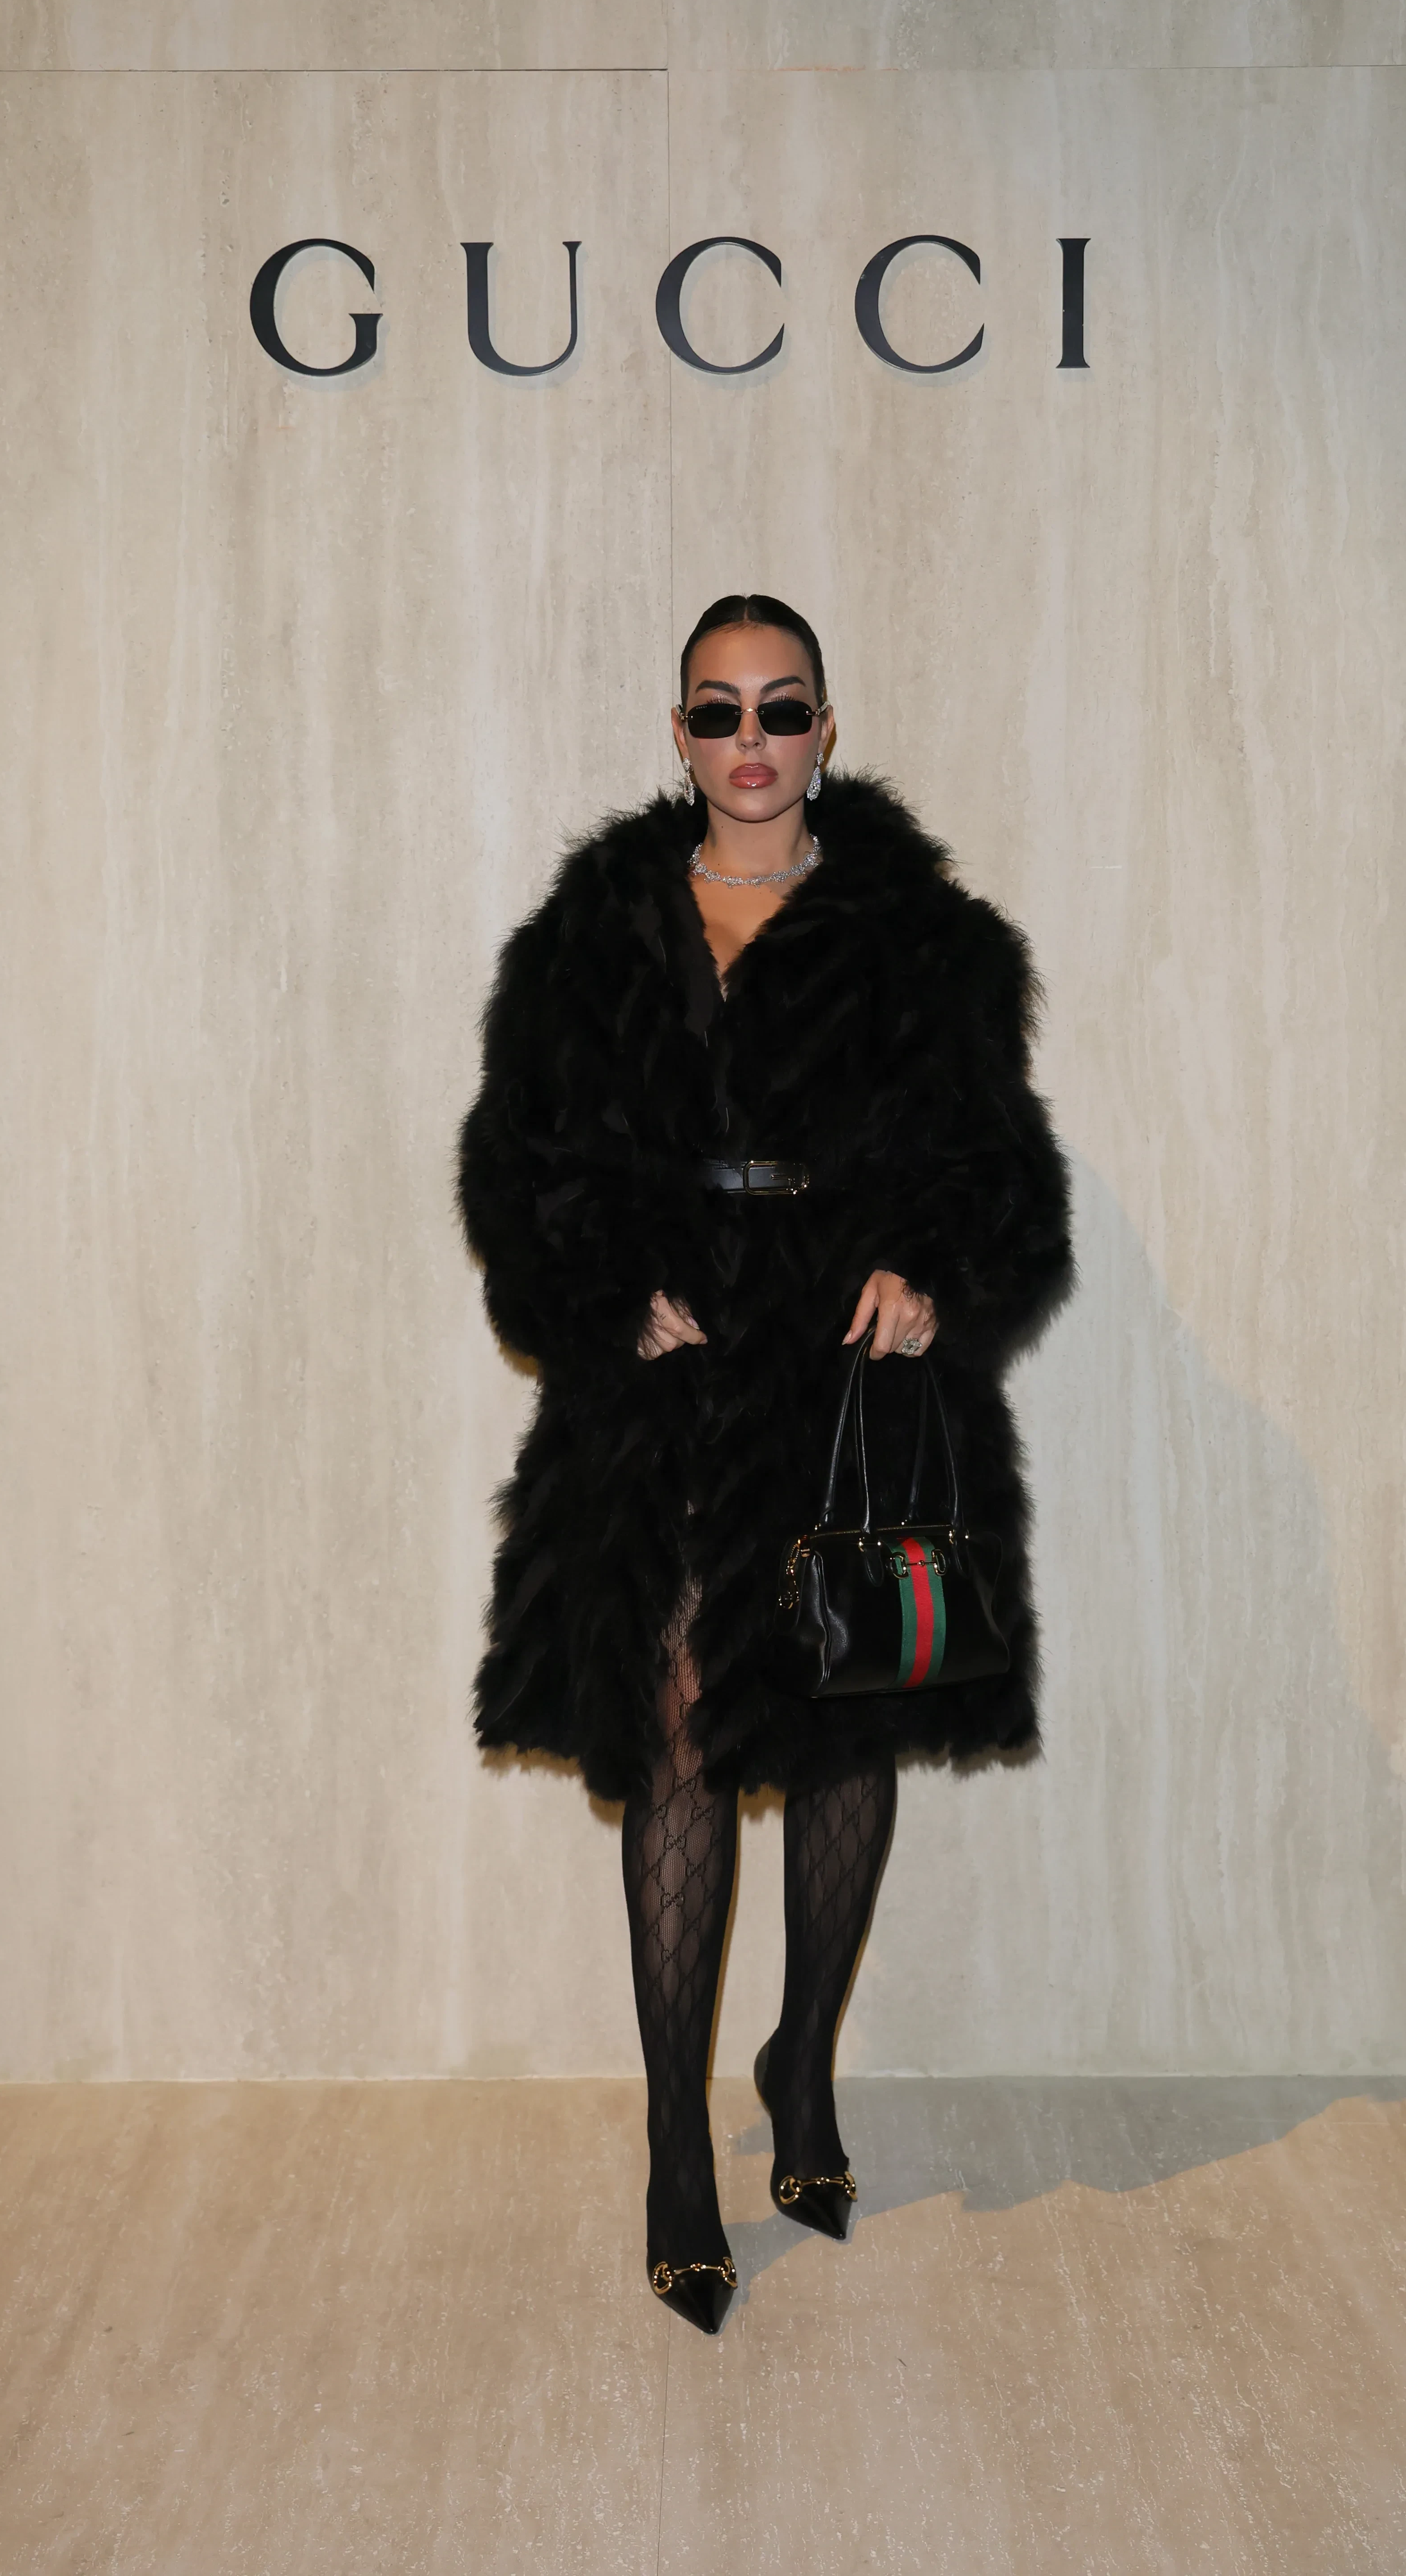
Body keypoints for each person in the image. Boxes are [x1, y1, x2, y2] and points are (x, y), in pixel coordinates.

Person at [457, 594, 1073, 2334]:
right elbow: (517, 1168)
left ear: (825, 728)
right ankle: (677, 2145)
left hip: (844, 1375)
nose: (751, 742)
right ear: (678, 734)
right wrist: (599, 1296)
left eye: (781, 709)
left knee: (843, 1722)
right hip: (666, 1389)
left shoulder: (927, 942)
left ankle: (800, 2061)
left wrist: (929, 1272)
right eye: (719, 712)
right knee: (673, 1731)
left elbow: (1001, 1170)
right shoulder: (589, 937)